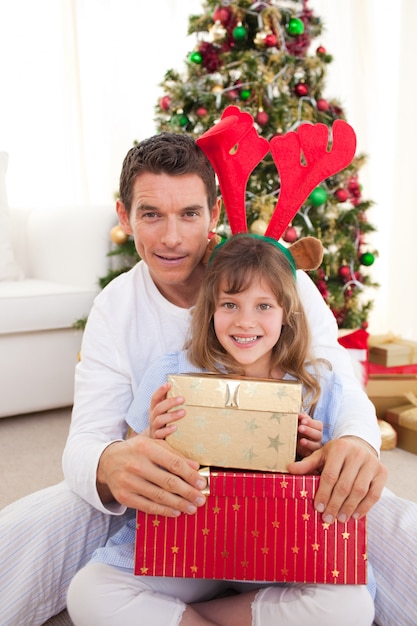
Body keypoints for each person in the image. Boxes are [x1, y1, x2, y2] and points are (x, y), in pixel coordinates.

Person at [3, 129, 414, 626]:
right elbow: (87, 438)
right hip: (175, 514)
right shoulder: (119, 311)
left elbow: (333, 374)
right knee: (58, 548)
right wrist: (115, 461)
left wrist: (355, 442)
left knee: (383, 531)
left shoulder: (282, 275)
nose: (171, 237)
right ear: (124, 216)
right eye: (151, 214)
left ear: (213, 214)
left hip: (289, 513)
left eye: (189, 214)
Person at [66, 233, 375, 626]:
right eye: (230, 304)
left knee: (353, 607)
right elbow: (131, 455)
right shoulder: (172, 371)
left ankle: (201, 617)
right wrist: (150, 439)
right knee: (90, 591)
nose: (245, 321)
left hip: (280, 550)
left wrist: (313, 452)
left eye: (263, 306)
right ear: (210, 310)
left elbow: (335, 480)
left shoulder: (318, 384)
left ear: (287, 314)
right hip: (186, 542)